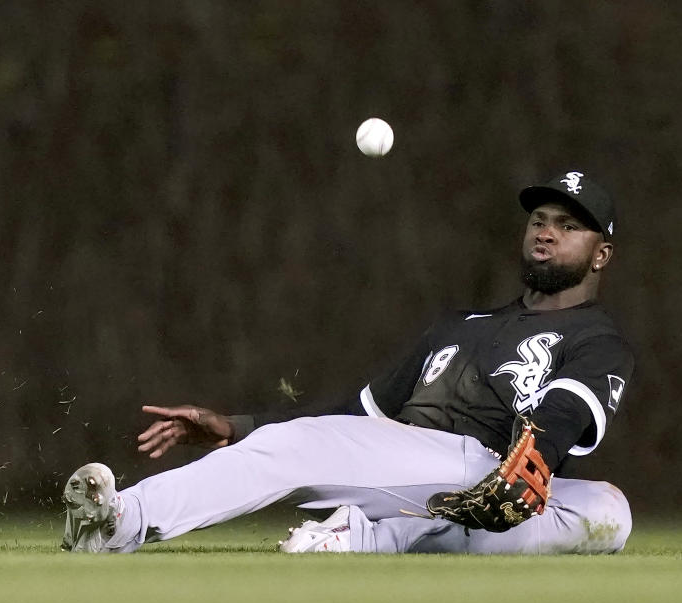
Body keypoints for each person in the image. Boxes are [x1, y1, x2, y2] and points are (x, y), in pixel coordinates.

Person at [61, 170, 634, 554]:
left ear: (600, 254)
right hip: (417, 460)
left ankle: (362, 538)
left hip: (496, 470)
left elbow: (566, 410)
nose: (546, 233)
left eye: (569, 225)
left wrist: (530, 463)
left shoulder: (596, 337)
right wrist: (238, 427)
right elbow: (354, 416)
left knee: (611, 511)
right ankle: (119, 520)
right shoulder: (460, 326)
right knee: (295, 445)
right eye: (539, 220)